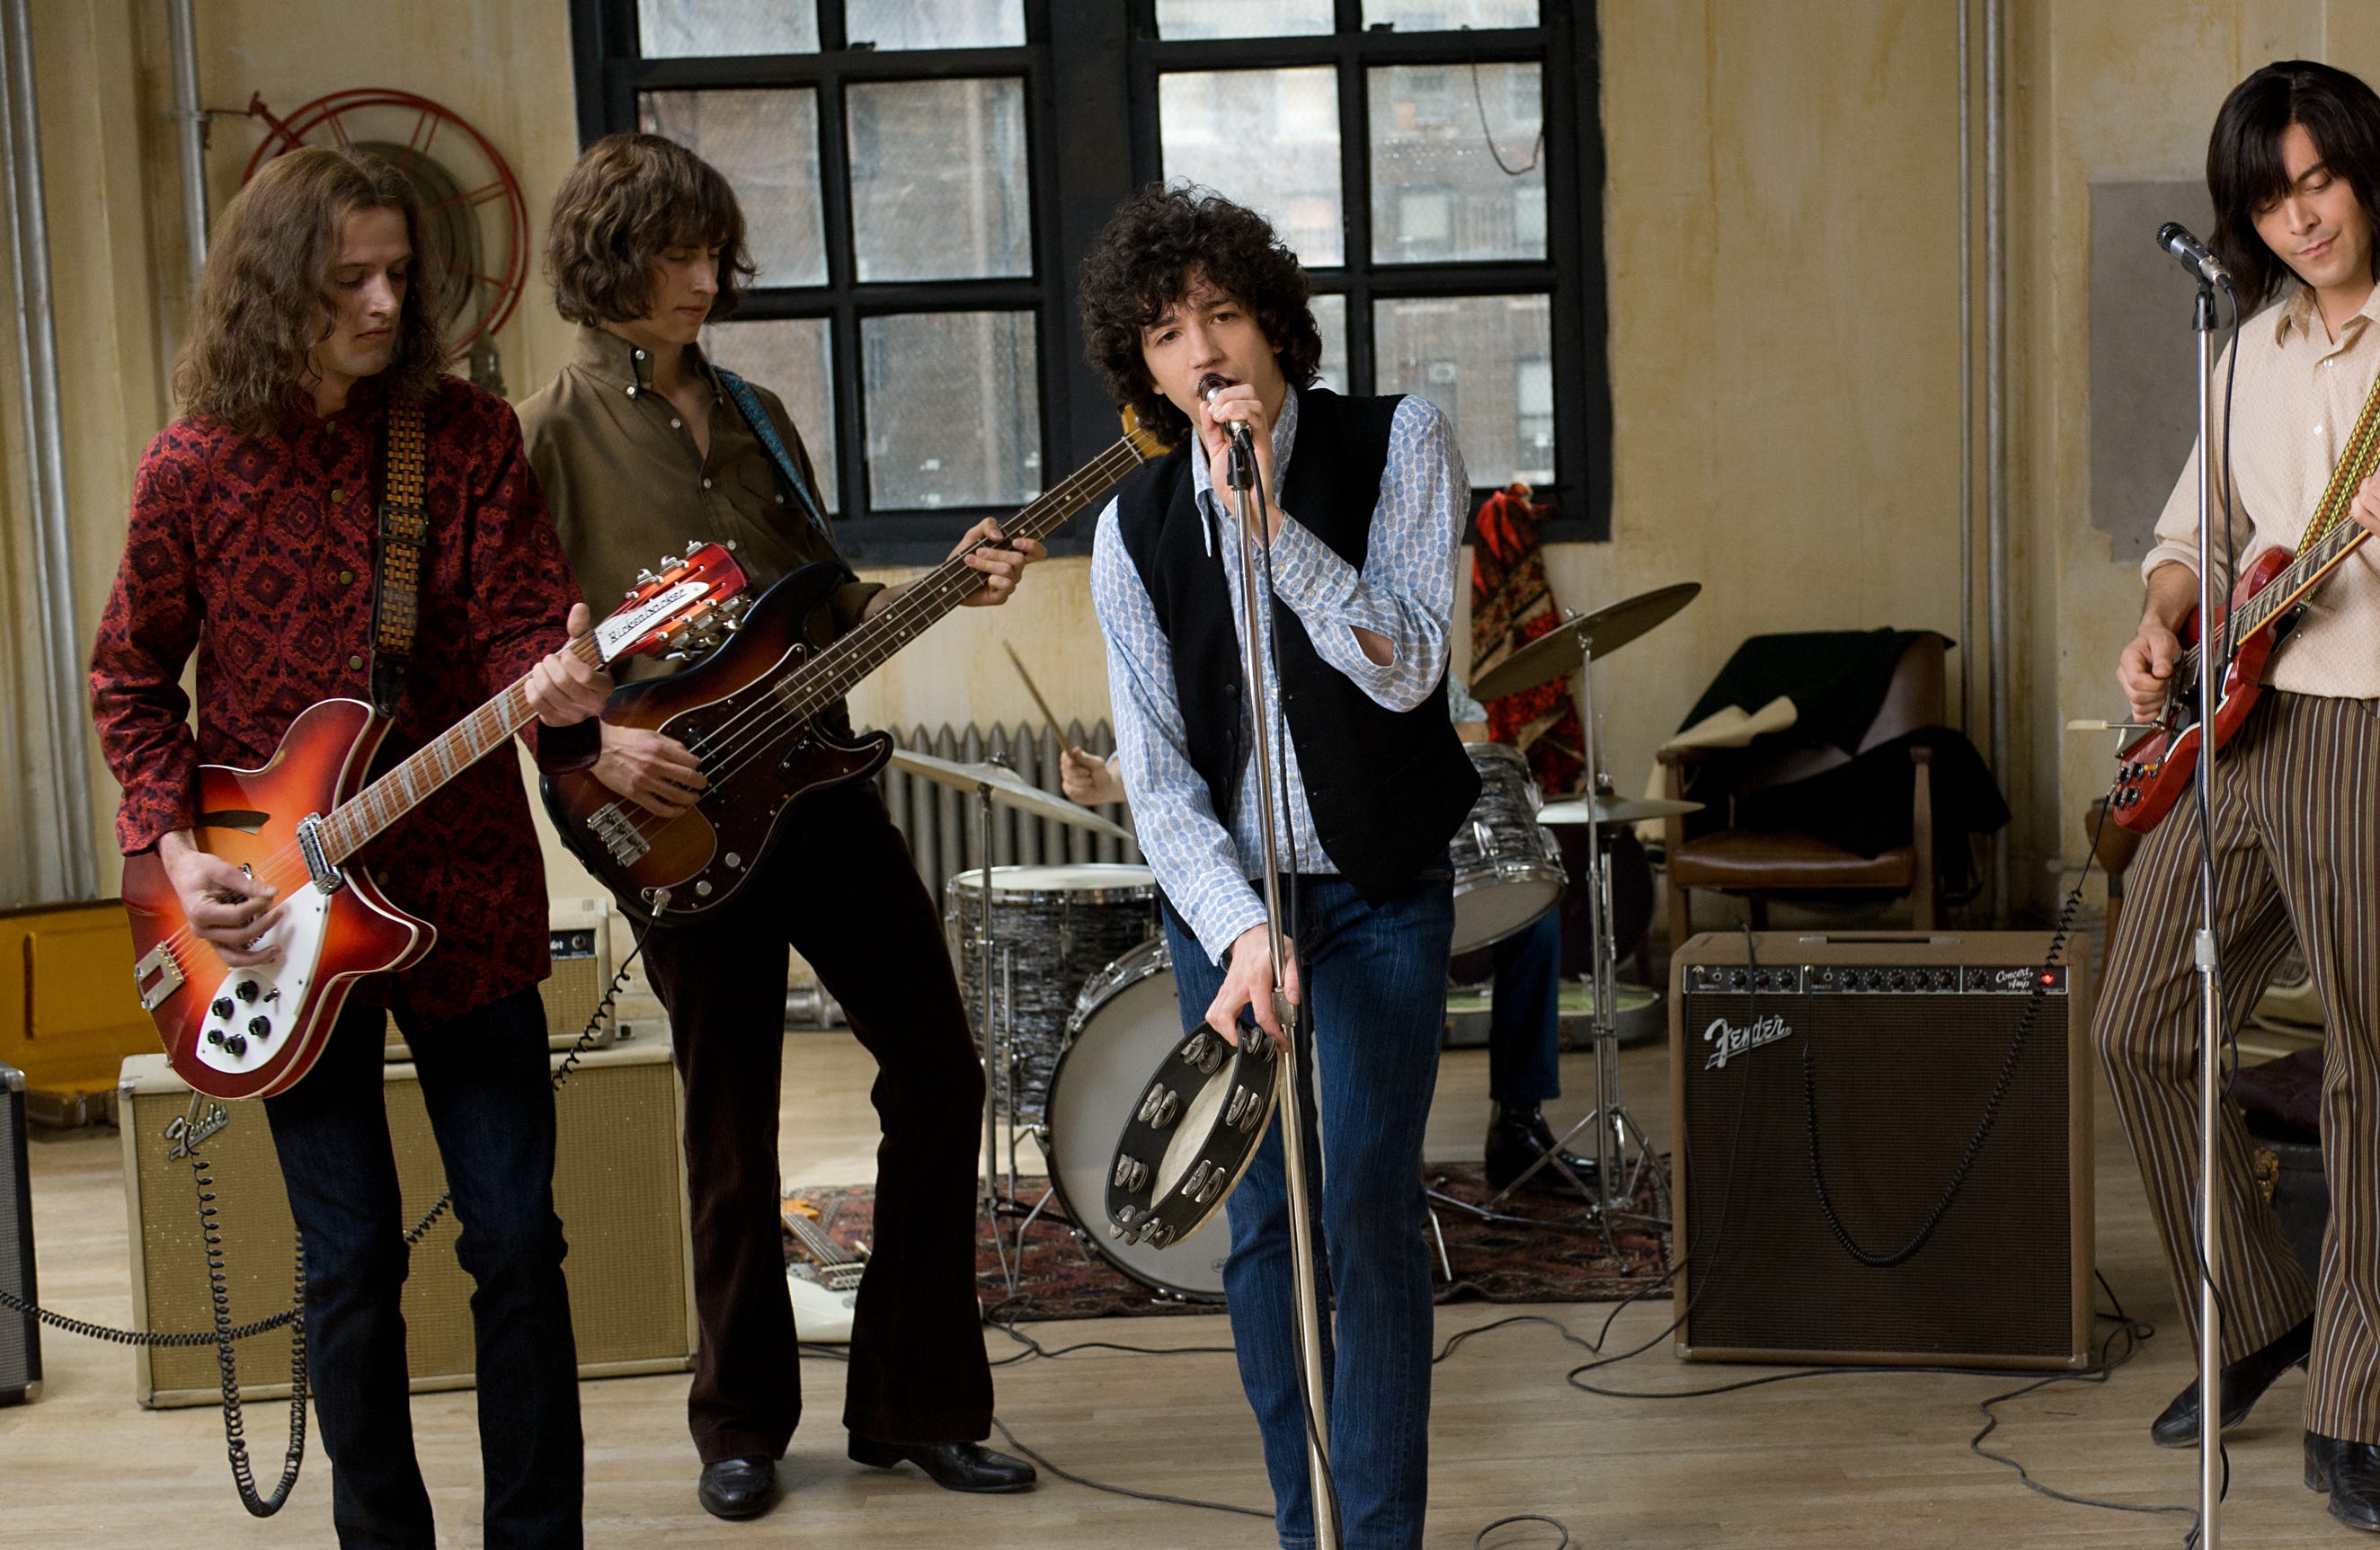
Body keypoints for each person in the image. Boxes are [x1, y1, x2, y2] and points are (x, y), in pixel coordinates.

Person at [516, 133, 1042, 1522]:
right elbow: (514, 655)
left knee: (940, 1071)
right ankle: (740, 1425)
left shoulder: (756, 413)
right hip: (671, 810)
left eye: (712, 252)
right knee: (731, 1123)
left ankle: (918, 1407)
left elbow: (821, 600)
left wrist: (946, 587)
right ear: (607, 260)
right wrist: (594, 746)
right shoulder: (543, 434)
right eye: (675, 254)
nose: (705, 277)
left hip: (819, 787)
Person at [92, 147, 609, 1548]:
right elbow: (129, 678)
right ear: (274, 289)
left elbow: (521, 624)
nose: (384, 303)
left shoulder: (464, 436)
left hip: (466, 887)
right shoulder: (191, 465)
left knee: (517, 1239)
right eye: (346, 281)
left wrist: (562, 684)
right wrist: (172, 848)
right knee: (351, 1258)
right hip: (269, 916)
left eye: (397, 274)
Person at [2092, 60, 2380, 1535]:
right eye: (2267, 199)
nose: (2299, 219)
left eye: (2318, 182)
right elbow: (2196, 535)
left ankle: (2354, 1411)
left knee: (2372, 1074)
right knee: (2137, 1027)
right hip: (2242, 732)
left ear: (2367, 173)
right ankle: (2254, 1318)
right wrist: (2162, 619)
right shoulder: (2245, 350)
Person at [1077, 183, 1476, 1550]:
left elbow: (1409, 667)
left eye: (1222, 315)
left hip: (1378, 891)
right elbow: (1158, 779)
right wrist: (1242, 928)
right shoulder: (1130, 532)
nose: (1202, 351)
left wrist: (1274, 539)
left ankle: (1380, 1535)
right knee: (1261, 1225)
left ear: (1272, 328)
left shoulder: (1398, 442)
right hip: (1230, 910)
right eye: (1167, 333)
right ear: (1144, 369)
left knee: (1362, 1199)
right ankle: (1306, 1527)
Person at [1060, 682, 1591, 1198]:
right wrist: (1103, 780)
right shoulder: (1198, 663)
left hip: (1390, 858)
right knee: (1267, 1175)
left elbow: (1470, 733)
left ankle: (1517, 1117)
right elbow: (1160, 768)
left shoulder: (1403, 651)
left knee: (1535, 922)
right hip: (1250, 881)